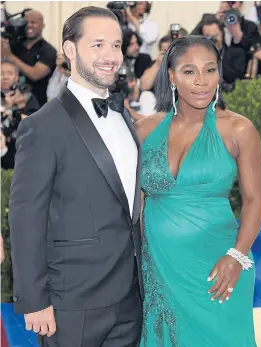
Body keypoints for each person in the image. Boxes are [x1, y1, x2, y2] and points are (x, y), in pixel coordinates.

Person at [9, 6, 143, 347]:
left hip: (131, 295)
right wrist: (34, 299)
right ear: (70, 50)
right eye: (98, 44)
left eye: (115, 45)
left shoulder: (124, 117)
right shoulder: (41, 126)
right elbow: (26, 218)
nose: (110, 56)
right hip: (71, 301)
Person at [136, 36, 261, 346]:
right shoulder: (143, 130)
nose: (202, 81)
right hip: (161, 270)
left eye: (210, 70)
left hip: (219, 266)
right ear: (171, 76)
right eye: (190, 71)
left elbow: (254, 200)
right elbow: (135, 204)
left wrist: (236, 257)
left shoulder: (238, 129)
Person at [1, 10, 57, 107]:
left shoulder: (48, 51)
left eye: (33, 22)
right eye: (26, 22)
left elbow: (35, 74)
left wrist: (10, 56)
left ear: (42, 25)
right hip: (12, 104)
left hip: (37, 106)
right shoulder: (15, 46)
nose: (29, 25)